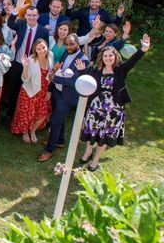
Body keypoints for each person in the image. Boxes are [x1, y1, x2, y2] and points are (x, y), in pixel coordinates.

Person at [79, 34, 150, 171]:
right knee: (92, 131)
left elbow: (133, 60)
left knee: (105, 135)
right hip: (96, 107)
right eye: (105, 56)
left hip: (114, 109)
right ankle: (87, 152)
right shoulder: (96, 70)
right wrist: (82, 71)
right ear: (102, 57)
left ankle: (95, 159)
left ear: (115, 56)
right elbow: (87, 83)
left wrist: (143, 49)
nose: (108, 58)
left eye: (111, 56)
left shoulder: (121, 70)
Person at [38, 34, 89, 162]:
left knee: (55, 121)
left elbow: (74, 80)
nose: (69, 46)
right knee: (60, 119)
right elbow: (61, 67)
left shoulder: (83, 60)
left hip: (67, 97)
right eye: (66, 44)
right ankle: (60, 140)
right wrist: (55, 73)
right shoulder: (66, 53)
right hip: (57, 91)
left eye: (72, 44)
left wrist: (54, 78)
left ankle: (49, 150)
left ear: (78, 43)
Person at [4, 2, 50, 123]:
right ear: (25, 16)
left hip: (31, 66)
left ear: (38, 16)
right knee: (13, 89)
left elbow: (44, 50)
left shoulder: (43, 31)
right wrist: (15, 12)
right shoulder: (21, 24)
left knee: (25, 92)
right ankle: (10, 114)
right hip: (17, 63)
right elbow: (10, 23)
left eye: (33, 15)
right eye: (28, 15)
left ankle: (23, 118)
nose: (31, 17)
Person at [10, 39, 53, 144]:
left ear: (47, 47)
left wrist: (49, 91)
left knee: (43, 113)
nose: (42, 50)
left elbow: (50, 75)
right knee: (26, 113)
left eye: (43, 47)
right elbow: (25, 79)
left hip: (43, 91)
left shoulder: (50, 56)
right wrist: (25, 66)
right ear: (35, 50)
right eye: (39, 49)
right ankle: (25, 132)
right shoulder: (31, 60)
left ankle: (33, 130)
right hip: (30, 90)